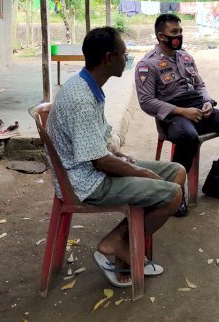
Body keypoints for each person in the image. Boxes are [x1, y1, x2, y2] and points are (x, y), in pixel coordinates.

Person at [47, 27, 185, 286]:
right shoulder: (80, 98)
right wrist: (141, 173)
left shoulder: (88, 86)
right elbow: (98, 161)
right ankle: (119, 245)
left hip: (94, 168)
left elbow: (97, 146)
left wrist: (122, 157)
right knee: (172, 195)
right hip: (86, 182)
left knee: (176, 171)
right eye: (124, 54)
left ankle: (120, 240)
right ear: (109, 58)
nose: (127, 59)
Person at [136, 14, 219, 216]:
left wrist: (208, 102)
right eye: (174, 32)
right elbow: (146, 102)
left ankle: (215, 181)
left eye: (180, 32)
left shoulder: (186, 56)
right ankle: (175, 192)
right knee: (188, 137)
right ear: (161, 36)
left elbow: (200, 85)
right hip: (173, 116)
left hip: (198, 109)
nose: (179, 36)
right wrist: (181, 112)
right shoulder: (148, 64)